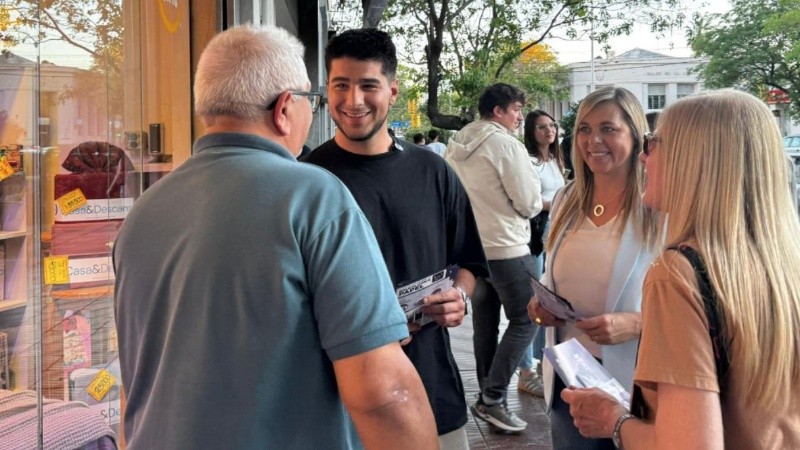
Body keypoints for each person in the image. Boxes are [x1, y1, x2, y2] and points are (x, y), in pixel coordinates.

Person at [113, 25, 438, 450]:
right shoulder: (313, 197)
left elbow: (133, 386)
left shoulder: (141, 213)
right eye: (311, 100)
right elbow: (382, 394)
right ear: (285, 107)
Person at [561, 89, 800, 449]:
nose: (644, 157)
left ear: (694, 158)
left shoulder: (677, 272)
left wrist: (612, 419)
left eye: (653, 143)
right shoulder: (782, 260)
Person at [302, 28, 488, 450]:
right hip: (338, 402)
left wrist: (457, 297)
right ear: (325, 91)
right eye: (341, 86)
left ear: (392, 90)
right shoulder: (307, 180)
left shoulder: (433, 172)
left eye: (368, 85)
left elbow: (471, 263)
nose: (353, 101)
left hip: (431, 386)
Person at [527, 86, 658, 450]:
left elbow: (695, 300)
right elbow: (551, 275)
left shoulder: (659, 204)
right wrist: (540, 307)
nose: (593, 140)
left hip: (637, 384)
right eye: (584, 129)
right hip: (570, 380)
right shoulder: (568, 199)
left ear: (635, 134)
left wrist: (637, 323)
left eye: (608, 129)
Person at [445, 83, 542, 432]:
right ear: (498, 111)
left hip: (473, 251)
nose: (520, 117)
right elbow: (529, 202)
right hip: (507, 247)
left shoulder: (456, 145)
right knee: (528, 319)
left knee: (485, 324)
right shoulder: (504, 145)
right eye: (516, 109)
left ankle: (489, 394)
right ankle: (493, 398)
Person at [516, 110, 567, 398]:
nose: (549, 131)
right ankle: (526, 369)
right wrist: (559, 202)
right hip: (535, 238)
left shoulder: (556, 160)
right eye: (541, 127)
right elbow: (530, 202)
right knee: (532, 302)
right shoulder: (529, 162)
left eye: (551, 125)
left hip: (557, 236)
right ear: (531, 132)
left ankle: (541, 359)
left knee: (551, 299)